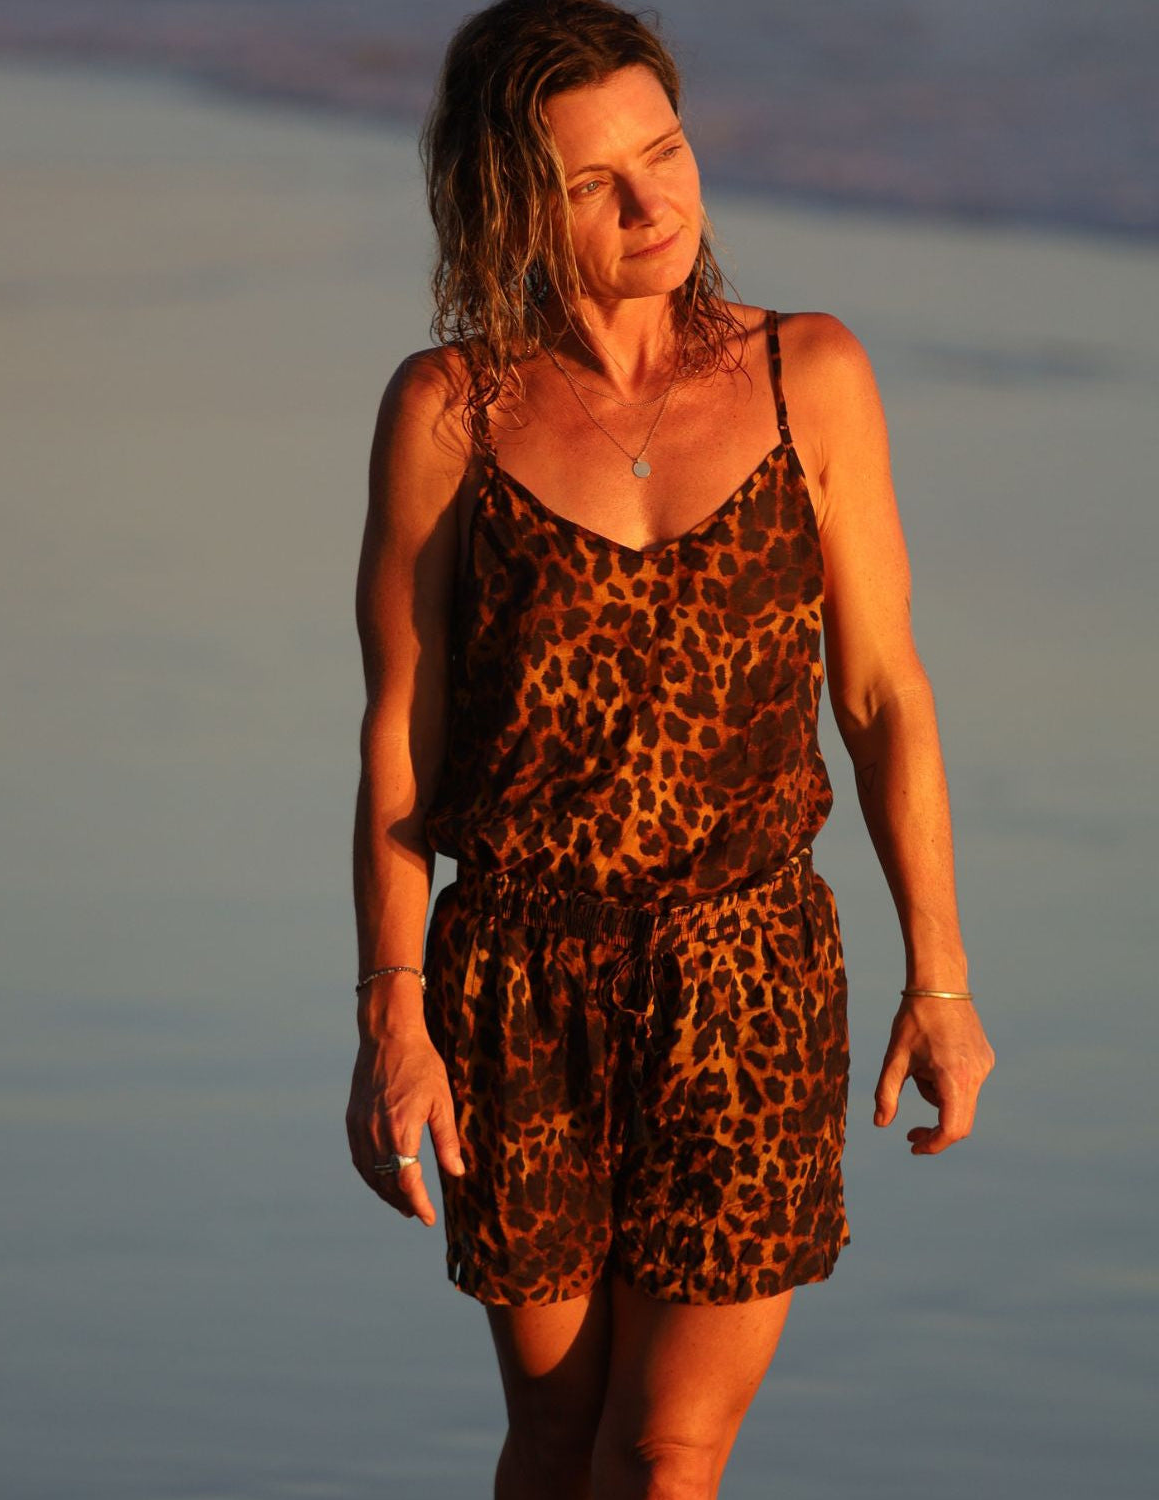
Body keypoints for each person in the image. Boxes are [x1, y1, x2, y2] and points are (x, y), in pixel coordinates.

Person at [346, 1, 995, 1495]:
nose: (654, 204)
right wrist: (394, 1016)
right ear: (511, 198)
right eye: (593, 181)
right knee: (557, 1438)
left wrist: (941, 983)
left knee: (667, 1451)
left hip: (748, 974)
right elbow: (402, 736)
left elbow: (886, 695)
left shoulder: (805, 374)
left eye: (668, 149)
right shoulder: (451, 413)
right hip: (519, 983)